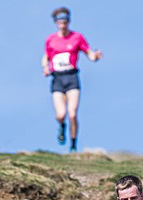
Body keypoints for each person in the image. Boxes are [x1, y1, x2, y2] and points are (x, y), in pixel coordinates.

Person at [41, 7, 102, 153]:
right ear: (56, 23)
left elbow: (89, 53)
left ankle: (73, 145)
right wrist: (45, 67)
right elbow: (46, 57)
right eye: (60, 22)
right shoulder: (51, 40)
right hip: (57, 79)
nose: (63, 25)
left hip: (72, 77)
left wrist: (96, 56)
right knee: (61, 114)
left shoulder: (77, 37)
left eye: (65, 22)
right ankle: (62, 126)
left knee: (72, 113)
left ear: (68, 22)